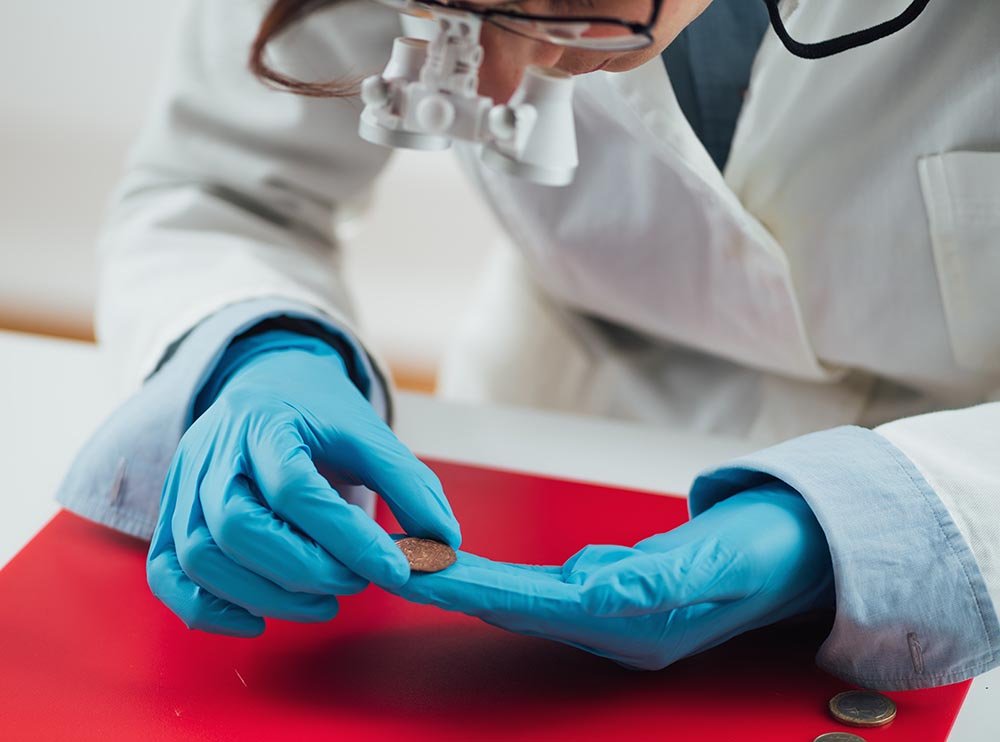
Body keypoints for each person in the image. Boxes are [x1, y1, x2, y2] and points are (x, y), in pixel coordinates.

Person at [58, 0, 999, 692]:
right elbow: (219, 190)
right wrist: (260, 349)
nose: (496, 87)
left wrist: (891, 530)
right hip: (554, 417)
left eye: (545, 12)